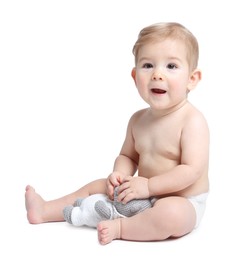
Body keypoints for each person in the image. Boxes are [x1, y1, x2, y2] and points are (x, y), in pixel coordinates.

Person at [25, 22, 209, 245]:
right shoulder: (138, 120)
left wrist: (149, 187)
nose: (158, 74)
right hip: (140, 193)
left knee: (172, 214)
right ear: (135, 76)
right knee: (97, 186)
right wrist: (119, 176)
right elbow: (128, 157)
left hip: (182, 199)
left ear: (192, 78)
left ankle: (121, 227)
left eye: (171, 66)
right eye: (148, 65)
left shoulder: (192, 121)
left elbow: (191, 170)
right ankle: (45, 210)